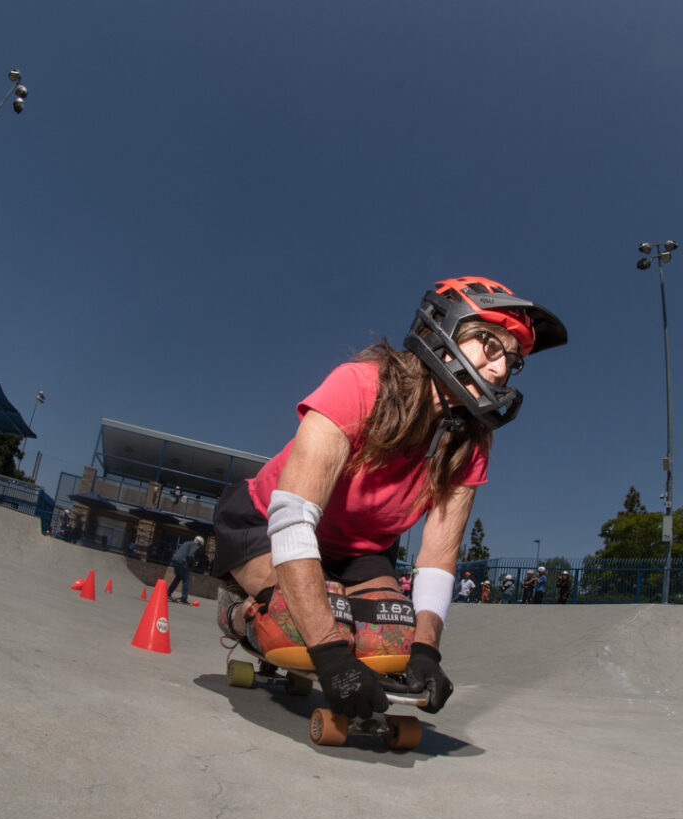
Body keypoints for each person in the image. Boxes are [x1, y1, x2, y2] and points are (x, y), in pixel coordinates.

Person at [212, 275, 567, 720]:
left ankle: (328, 605)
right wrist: (331, 655)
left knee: (391, 645)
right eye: (489, 345)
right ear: (443, 329)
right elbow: (292, 518)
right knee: (299, 626)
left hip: (359, 550)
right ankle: (240, 613)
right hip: (265, 525)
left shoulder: (469, 445)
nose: (499, 369)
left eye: (511, 360)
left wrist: (426, 652)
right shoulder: (359, 386)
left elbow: (438, 559)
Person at [168, 536, 205, 603]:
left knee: (178, 577)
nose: (199, 547)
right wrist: (194, 562)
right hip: (182, 561)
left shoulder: (186, 543)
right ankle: (184, 598)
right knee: (186, 580)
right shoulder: (195, 545)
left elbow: (184, 552)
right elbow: (190, 555)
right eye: (199, 545)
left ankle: (168, 593)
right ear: (198, 543)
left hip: (175, 559)